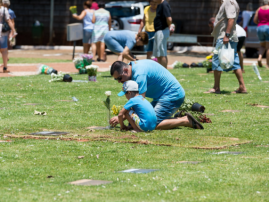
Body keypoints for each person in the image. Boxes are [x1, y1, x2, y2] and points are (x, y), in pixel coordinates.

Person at [109, 60, 204, 130]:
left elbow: (139, 102)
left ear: (125, 70)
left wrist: (122, 117)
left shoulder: (139, 74)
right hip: (162, 96)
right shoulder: (133, 66)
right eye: (116, 79)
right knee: (144, 119)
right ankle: (175, 118)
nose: (119, 82)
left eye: (120, 78)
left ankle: (186, 121)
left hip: (172, 95)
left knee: (151, 124)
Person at [205, 0, 247, 94]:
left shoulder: (229, 1)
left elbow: (231, 19)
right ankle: (242, 87)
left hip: (226, 37)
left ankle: (216, 88)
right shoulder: (228, 2)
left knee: (217, 61)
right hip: (228, 37)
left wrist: (226, 35)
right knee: (235, 61)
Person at [153, 0, 174, 68]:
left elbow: (169, 19)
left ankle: (164, 73)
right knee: (158, 55)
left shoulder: (164, 4)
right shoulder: (159, 4)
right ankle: (160, 71)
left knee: (162, 54)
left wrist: (169, 27)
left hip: (162, 31)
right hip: (158, 31)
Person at [0, 1, 16, 73]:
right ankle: (5, 68)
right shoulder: (4, 9)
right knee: (4, 50)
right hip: (2, 31)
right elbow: (9, 21)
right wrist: (13, 30)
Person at [254, 0, 269, 69]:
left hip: (260, 28)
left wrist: (260, 22)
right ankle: (268, 65)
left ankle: (259, 58)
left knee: (262, 46)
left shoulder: (259, 9)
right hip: (268, 27)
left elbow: (255, 20)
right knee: (268, 47)